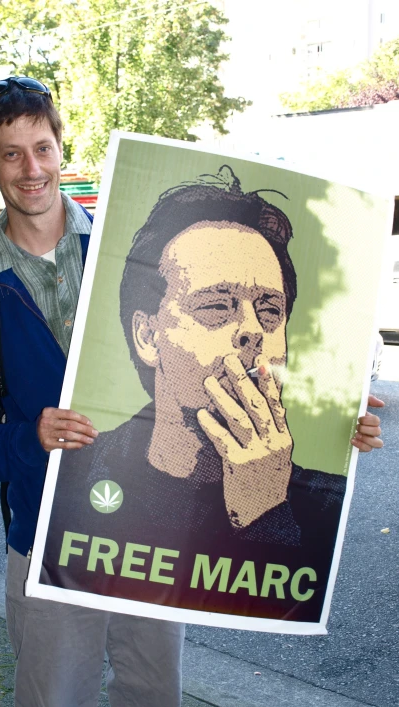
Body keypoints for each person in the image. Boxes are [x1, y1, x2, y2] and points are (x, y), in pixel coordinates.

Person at [0, 77, 383, 707]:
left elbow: (266, 385)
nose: (32, 169)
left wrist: (337, 421)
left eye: (42, 147)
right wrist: (27, 439)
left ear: (60, 145)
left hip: (158, 539)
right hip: (50, 543)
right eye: (11, 154)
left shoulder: (131, 253)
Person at [44, 169, 385, 621]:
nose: (251, 331)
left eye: (269, 310)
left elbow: (289, 611)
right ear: (147, 335)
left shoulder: (323, 502)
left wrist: (267, 510)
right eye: (216, 306)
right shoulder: (73, 474)